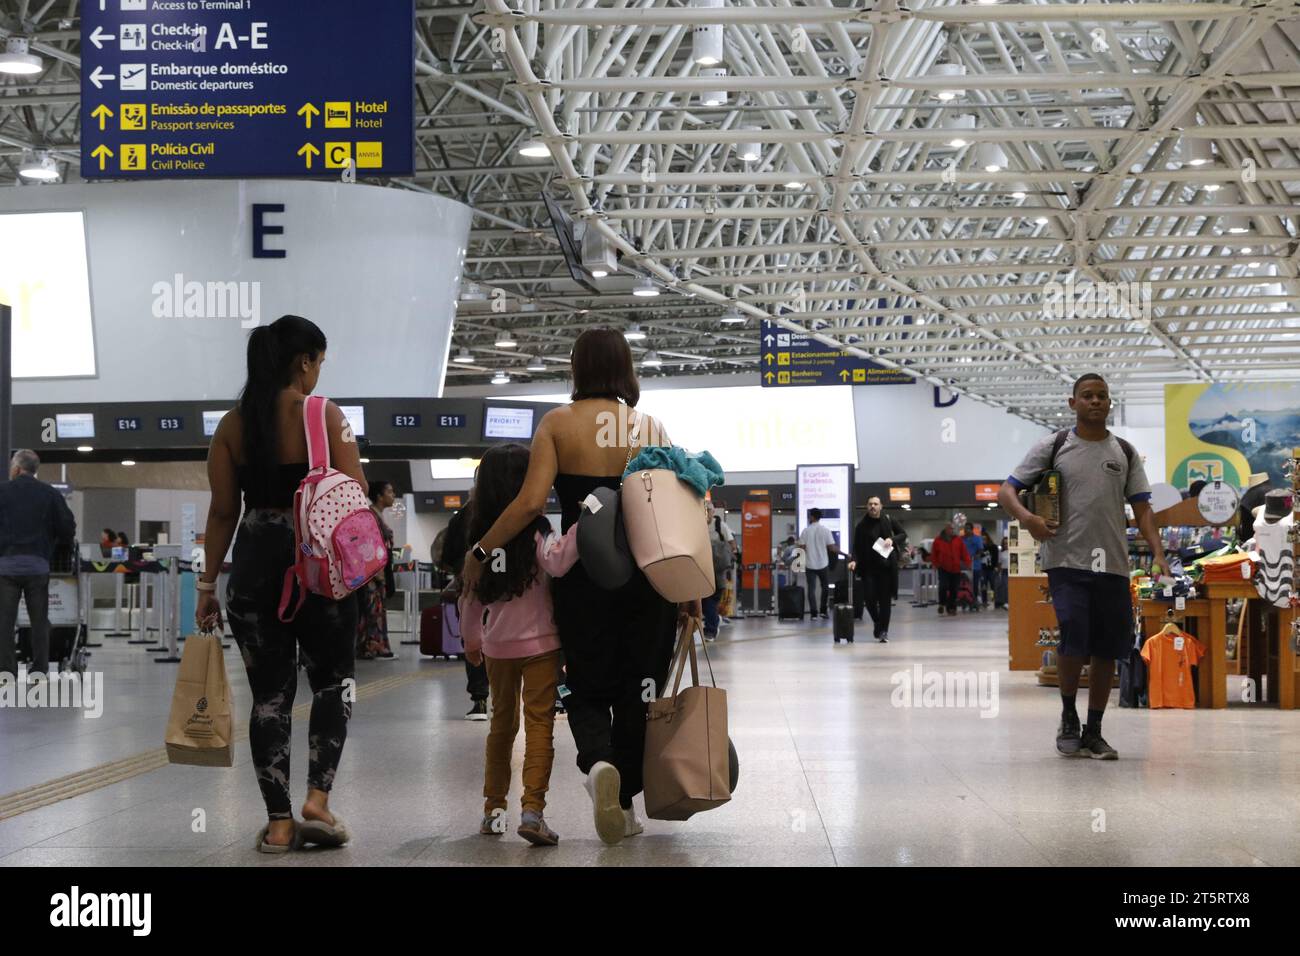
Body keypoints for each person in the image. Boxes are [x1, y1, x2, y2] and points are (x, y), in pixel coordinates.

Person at [461, 328, 685, 846]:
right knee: (639, 689)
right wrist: (692, 592)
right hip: (649, 579)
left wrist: (480, 551)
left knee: (586, 685)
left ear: (578, 369)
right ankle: (625, 803)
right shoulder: (652, 427)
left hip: (585, 577)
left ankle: (598, 763)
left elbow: (529, 504)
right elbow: (676, 512)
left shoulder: (558, 424)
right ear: (626, 369)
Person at [196, 315, 364, 853]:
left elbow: (223, 512)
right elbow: (355, 496)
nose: (318, 372)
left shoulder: (231, 425)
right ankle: (318, 798)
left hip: (252, 572)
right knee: (333, 682)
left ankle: (279, 823)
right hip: (321, 572)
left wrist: (205, 585)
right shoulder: (325, 415)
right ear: (303, 361)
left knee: (269, 696)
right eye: (318, 362)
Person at [999, 372, 1168, 761]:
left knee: (1108, 647)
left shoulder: (1123, 452)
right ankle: (1068, 715)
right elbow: (1007, 491)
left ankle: (1095, 729)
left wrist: (1158, 554)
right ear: (1072, 402)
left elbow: (1143, 509)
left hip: (1113, 564)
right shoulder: (1055, 445)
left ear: (1110, 404)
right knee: (1074, 633)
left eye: (1102, 396)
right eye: (1087, 396)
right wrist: (1029, 520)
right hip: (1066, 560)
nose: (1095, 401)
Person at [459, 443, 579, 846]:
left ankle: (493, 812)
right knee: (540, 725)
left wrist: (472, 639)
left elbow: (470, 597)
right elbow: (558, 562)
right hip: (542, 646)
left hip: (497, 648)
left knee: (502, 728)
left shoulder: (481, 537)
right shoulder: (537, 530)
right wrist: (583, 524)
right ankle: (532, 812)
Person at [0, 450, 77, 680]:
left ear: (16, 468)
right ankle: (40, 669)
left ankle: (6, 671)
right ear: (35, 470)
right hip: (38, 567)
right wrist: (50, 544)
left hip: (6, 567)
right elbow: (67, 528)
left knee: (4, 622)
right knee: (39, 621)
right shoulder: (49, 493)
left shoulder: (2, 491)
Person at [440, 502, 491, 720]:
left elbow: (448, 555)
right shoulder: (511, 508)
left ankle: (479, 701)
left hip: (469, 584)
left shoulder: (462, 516)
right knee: (503, 639)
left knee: (473, 640)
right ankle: (506, 700)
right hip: (507, 588)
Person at [849, 496, 906, 643]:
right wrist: (854, 560)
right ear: (866, 507)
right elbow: (856, 547)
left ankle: (883, 631)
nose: (873, 506)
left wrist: (891, 540)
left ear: (881, 506)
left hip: (886, 567)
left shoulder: (888, 520)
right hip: (868, 568)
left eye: (875, 504)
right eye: (870, 504)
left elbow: (903, 534)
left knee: (885, 601)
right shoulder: (861, 526)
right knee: (869, 599)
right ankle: (877, 622)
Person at [356, 481, 397, 661]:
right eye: (389, 491)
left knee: (376, 610)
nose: (393, 495)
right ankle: (371, 646)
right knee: (372, 610)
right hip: (372, 574)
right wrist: (377, 572)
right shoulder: (371, 515)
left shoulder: (376, 515)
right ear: (379, 496)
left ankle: (374, 644)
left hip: (376, 573)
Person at [797, 508, 837, 620]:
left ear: (812, 517)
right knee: (825, 588)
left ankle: (813, 613)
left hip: (810, 564)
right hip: (823, 563)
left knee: (811, 588)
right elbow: (832, 547)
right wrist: (844, 553)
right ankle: (823, 611)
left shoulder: (805, 531)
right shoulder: (825, 530)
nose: (809, 517)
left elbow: (802, 548)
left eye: (810, 516)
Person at [703, 501, 733, 641]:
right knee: (706, 601)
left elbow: (732, 544)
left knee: (711, 600)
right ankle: (713, 622)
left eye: (708, 510)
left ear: (713, 511)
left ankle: (711, 628)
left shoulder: (720, 525)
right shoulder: (698, 526)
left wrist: (726, 559)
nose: (706, 513)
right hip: (703, 569)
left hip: (718, 570)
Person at [930, 523, 969, 615]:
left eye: (952, 529)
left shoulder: (958, 540)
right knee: (943, 586)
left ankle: (951, 607)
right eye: (950, 529)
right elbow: (934, 553)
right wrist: (935, 564)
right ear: (945, 529)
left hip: (955, 568)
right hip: (943, 567)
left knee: (954, 589)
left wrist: (967, 563)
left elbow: (964, 552)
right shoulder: (938, 540)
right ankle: (942, 604)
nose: (951, 530)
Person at [961, 523, 984, 613]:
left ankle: (974, 601)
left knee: (974, 584)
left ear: (972, 529)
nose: (967, 530)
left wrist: (976, 555)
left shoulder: (977, 538)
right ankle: (964, 601)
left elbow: (980, 550)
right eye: (965, 529)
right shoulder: (961, 539)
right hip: (964, 566)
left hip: (975, 565)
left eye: (968, 529)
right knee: (965, 584)